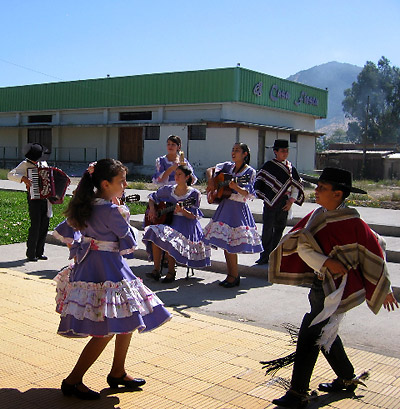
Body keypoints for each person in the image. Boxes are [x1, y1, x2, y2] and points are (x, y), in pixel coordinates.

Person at [265, 167, 399, 408]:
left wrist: (383, 285)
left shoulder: (353, 221)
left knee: (311, 332)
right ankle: (347, 378)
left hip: (339, 289)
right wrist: (326, 262)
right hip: (321, 284)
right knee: (326, 332)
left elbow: (376, 246)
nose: (316, 191)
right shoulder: (317, 216)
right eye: (317, 187)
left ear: (338, 194)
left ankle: (298, 393)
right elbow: (302, 245)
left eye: (322, 188)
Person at [52, 159, 171, 400]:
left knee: (125, 316)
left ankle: (117, 372)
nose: (125, 185)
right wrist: (120, 211)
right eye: (122, 181)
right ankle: (73, 380)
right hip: (109, 269)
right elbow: (128, 240)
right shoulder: (111, 210)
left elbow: (66, 231)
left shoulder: (83, 205)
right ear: (106, 184)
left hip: (90, 267)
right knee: (105, 328)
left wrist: (81, 244)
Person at [204, 142, 263, 288]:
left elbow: (249, 194)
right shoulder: (228, 166)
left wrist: (236, 187)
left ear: (245, 154)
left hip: (237, 209)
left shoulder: (250, 172)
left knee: (231, 244)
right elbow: (210, 169)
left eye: (237, 150)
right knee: (225, 244)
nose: (234, 152)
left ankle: (234, 275)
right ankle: (231, 275)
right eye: (233, 150)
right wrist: (212, 180)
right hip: (225, 206)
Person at [143, 164, 211, 283]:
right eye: (176, 174)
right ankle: (156, 270)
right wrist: (153, 209)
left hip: (187, 224)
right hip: (170, 221)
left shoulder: (194, 194)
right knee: (154, 232)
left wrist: (182, 211)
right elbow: (152, 197)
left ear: (187, 177)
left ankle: (171, 272)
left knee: (170, 238)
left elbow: (194, 216)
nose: (176, 177)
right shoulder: (169, 190)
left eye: (180, 174)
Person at [254, 139, 304, 265]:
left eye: (286, 151)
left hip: (284, 202)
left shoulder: (290, 168)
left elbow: (295, 186)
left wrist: (291, 201)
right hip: (270, 201)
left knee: (279, 228)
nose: (285, 153)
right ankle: (264, 255)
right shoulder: (269, 166)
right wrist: (265, 196)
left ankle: (274, 255)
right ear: (275, 151)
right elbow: (261, 181)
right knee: (267, 229)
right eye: (282, 151)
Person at [8, 142, 52, 261]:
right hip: (33, 197)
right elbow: (11, 174)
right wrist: (23, 179)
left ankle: (40, 252)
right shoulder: (25, 164)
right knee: (35, 225)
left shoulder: (43, 163)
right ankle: (31, 253)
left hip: (45, 198)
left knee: (44, 224)